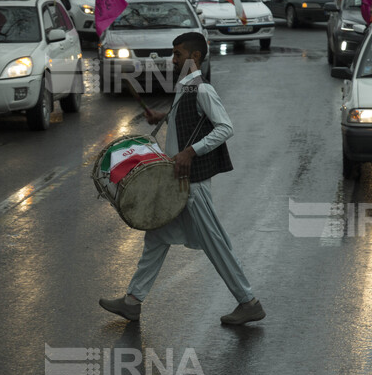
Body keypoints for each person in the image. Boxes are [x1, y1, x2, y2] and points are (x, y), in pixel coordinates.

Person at [99, 32, 265, 326]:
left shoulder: (201, 88)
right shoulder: (186, 87)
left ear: (195, 57)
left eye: (178, 54)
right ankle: (133, 301)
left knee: (215, 243)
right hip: (176, 180)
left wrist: (191, 151)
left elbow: (225, 127)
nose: (172, 59)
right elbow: (190, 120)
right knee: (157, 236)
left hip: (192, 183)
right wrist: (163, 115)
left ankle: (248, 301)